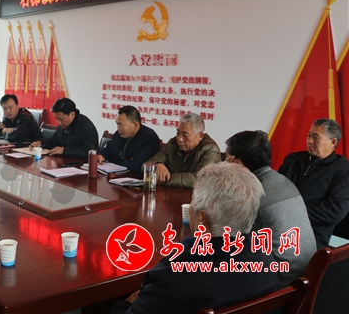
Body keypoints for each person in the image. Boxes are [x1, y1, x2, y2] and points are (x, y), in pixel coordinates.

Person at [108, 162, 279, 314]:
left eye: (192, 201)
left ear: (202, 219)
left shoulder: (172, 277)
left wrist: (123, 304)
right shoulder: (266, 260)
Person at [225, 130, 317, 286]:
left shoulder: (250, 194)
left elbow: (224, 235)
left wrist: (226, 175)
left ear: (238, 163)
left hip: (281, 282)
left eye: (228, 159)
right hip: (305, 275)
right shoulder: (283, 181)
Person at [279, 118, 349, 249]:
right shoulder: (292, 160)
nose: (310, 141)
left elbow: (335, 210)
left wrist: (290, 210)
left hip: (310, 238)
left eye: (316, 137)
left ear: (333, 142)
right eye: (309, 135)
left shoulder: (343, 170)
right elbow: (274, 191)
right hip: (277, 228)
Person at [144, 112, 221, 188]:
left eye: (185, 135)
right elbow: (146, 165)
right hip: (171, 192)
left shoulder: (211, 149)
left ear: (200, 136)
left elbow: (201, 179)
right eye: (178, 133)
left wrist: (165, 178)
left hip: (198, 195)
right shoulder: (173, 144)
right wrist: (157, 165)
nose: (180, 139)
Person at [98, 105, 161, 173]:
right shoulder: (118, 135)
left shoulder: (149, 138)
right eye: (117, 124)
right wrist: (101, 155)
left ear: (135, 125)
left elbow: (139, 166)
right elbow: (108, 151)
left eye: (121, 125)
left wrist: (117, 161)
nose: (118, 128)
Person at [31, 98, 98, 158]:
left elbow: (89, 152)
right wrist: (41, 143)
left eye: (61, 119)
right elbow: (54, 141)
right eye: (56, 118)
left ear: (72, 115)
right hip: (63, 162)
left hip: (80, 165)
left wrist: (64, 150)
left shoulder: (87, 128)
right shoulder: (63, 125)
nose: (58, 122)